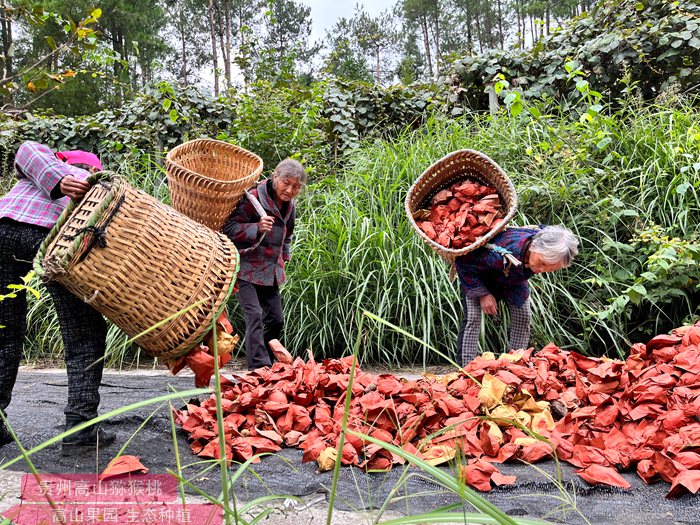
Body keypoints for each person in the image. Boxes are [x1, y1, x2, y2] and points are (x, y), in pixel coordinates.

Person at [0, 140, 115, 449]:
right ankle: (80, 424)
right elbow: (27, 148)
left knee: (4, 332)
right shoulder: (63, 171)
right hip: (51, 240)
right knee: (84, 331)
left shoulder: (36, 174)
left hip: (2, 232)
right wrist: (59, 179)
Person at [223, 159, 307, 370]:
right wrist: (256, 227)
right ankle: (258, 368)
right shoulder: (253, 198)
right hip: (246, 268)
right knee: (255, 316)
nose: (289, 190)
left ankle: (269, 363)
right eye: (286, 183)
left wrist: (284, 259)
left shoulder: (290, 207)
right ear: (275, 177)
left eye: (296, 187)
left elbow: (287, 235)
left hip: (270, 271)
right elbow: (229, 228)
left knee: (276, 319)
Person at [455, 225, 579, 366]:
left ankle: (515, 365)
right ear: (534, 246)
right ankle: (466, 369)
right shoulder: (502, 251)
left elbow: (549, 231)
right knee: (473, 318)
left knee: (523, 316)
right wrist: (484, 294)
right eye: (541, 263)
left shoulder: (542, 239)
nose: (540, 270)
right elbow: (463, 263)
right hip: (479, 277)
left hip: (513, 277)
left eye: (548, 269)